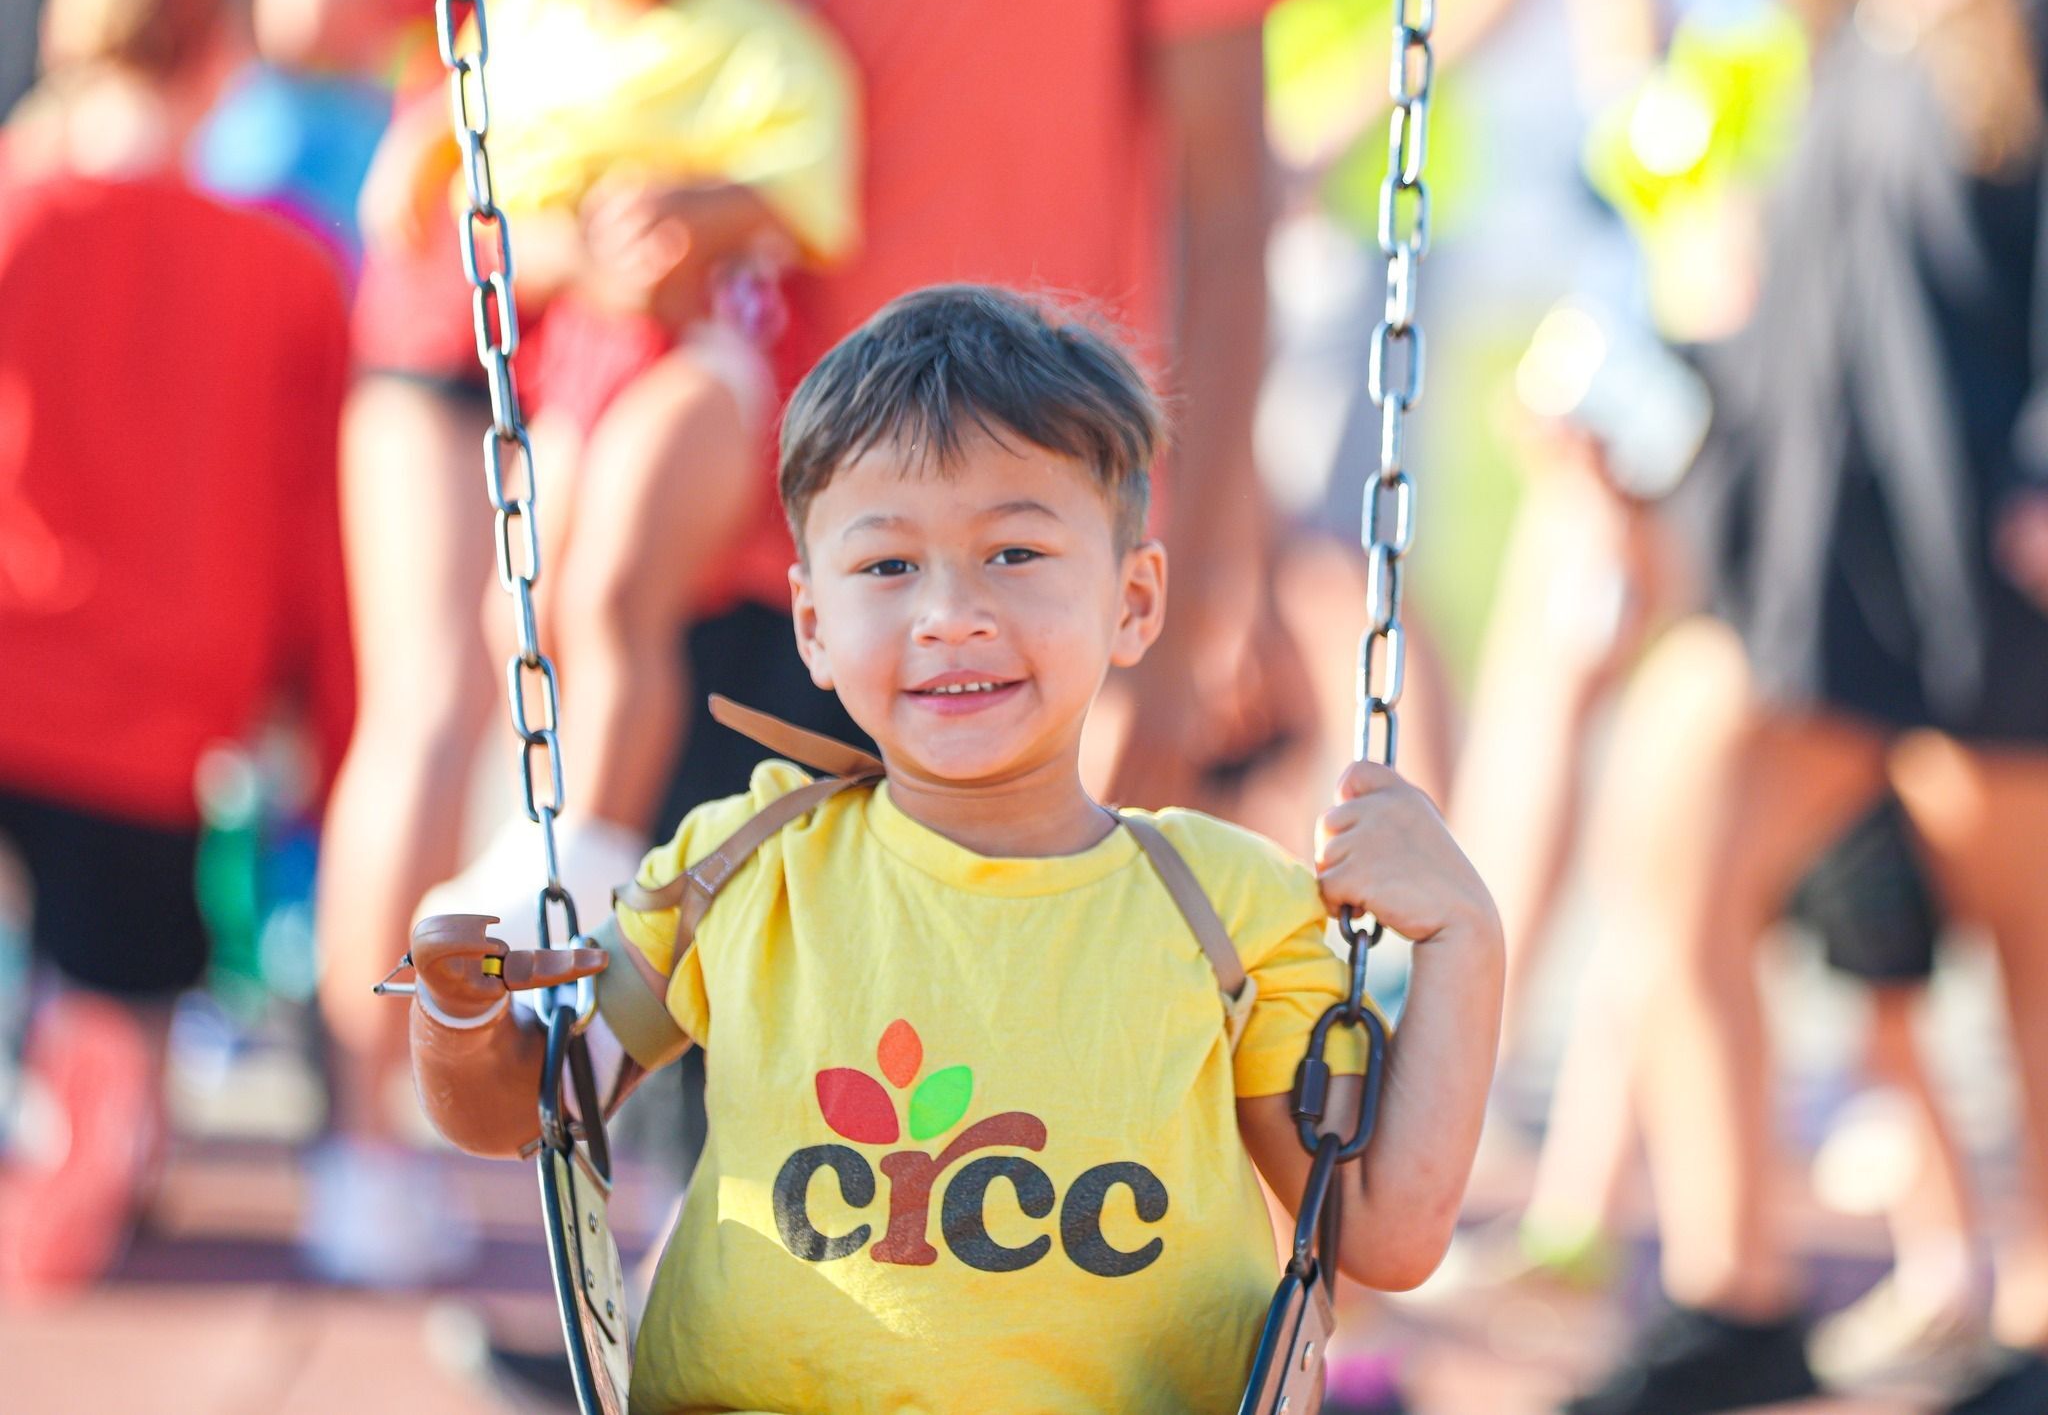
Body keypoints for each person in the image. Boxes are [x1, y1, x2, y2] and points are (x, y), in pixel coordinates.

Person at [404, 284, 1504, 1411]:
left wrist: (1464, 937)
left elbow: (1377, 1228)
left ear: (1132, 599)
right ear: (813, 623)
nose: (948, 613)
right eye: (887, 566)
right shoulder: (742, 865)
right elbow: (525, 1110)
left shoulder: (1224, 907)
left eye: (1014, 553)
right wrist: (459, 1018)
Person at [302, 0, 859, 1284]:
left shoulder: (746, 27)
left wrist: (696, 211)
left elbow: (809, 188)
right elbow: (445, 194)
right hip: (576, 358)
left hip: (700, 353)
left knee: (612, 593)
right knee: (522, 617)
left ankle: (585, 850)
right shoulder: (524, 22)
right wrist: (554, 239)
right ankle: (543, 869)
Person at [1557, 0, 2048, 1411]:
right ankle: (1732, 1282)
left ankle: (2034, 1317)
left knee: (2032, 950)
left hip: (1993, 559)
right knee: (1675, 838)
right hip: (1822, 557)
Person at [0, 0, 352, 1296]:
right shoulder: (285, 269)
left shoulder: (17, 212)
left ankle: (78, 1170)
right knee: (119, 971)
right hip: (153, 702)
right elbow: (312, 523)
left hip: (16, 652)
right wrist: (320, 711)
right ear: (220, 58)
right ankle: (80, 1183)